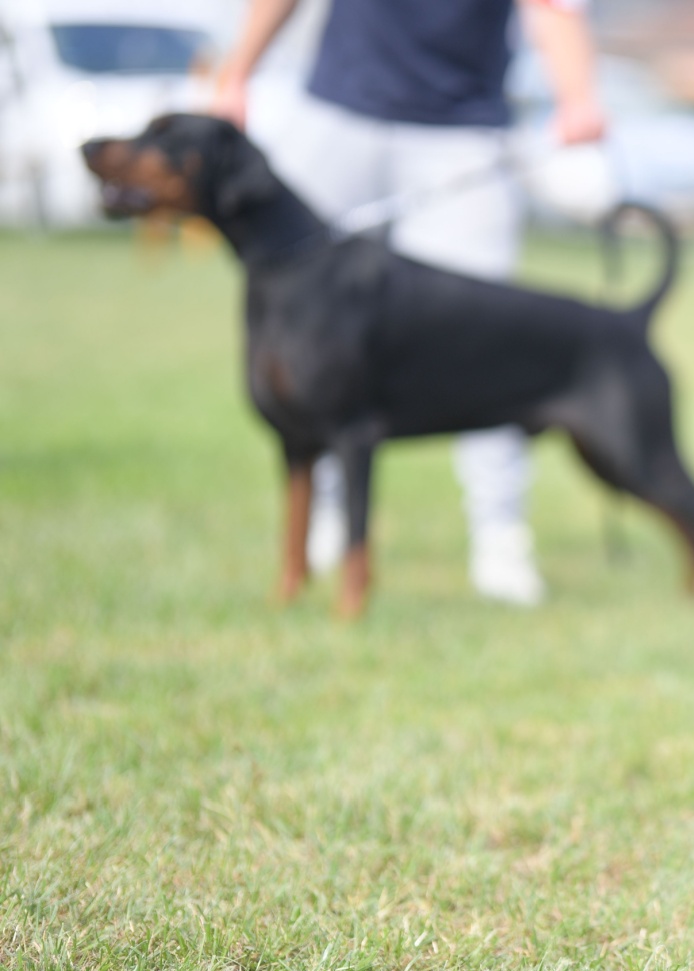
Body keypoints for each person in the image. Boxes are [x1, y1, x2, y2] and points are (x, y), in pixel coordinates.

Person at [212, 0, 607, 605]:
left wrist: (576, 96)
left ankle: (499, 535)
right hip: (336, 112)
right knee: (299, 327)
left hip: (462, 128)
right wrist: (237, 69)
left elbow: (552, 6)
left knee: (489, 347)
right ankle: (325, 518)